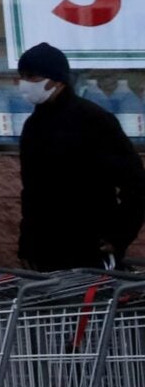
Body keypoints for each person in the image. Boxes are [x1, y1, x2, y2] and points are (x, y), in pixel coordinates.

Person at [16, 43, 145, 270]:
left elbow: (135, 183)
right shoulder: (34, 126)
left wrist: (119, 236)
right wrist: (27, 243)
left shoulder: (93, 120)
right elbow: (32, 191)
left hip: (90, 247)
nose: (24, 83)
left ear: (56, 80)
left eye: (32, 77)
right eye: (21, 76)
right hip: (46, 250)